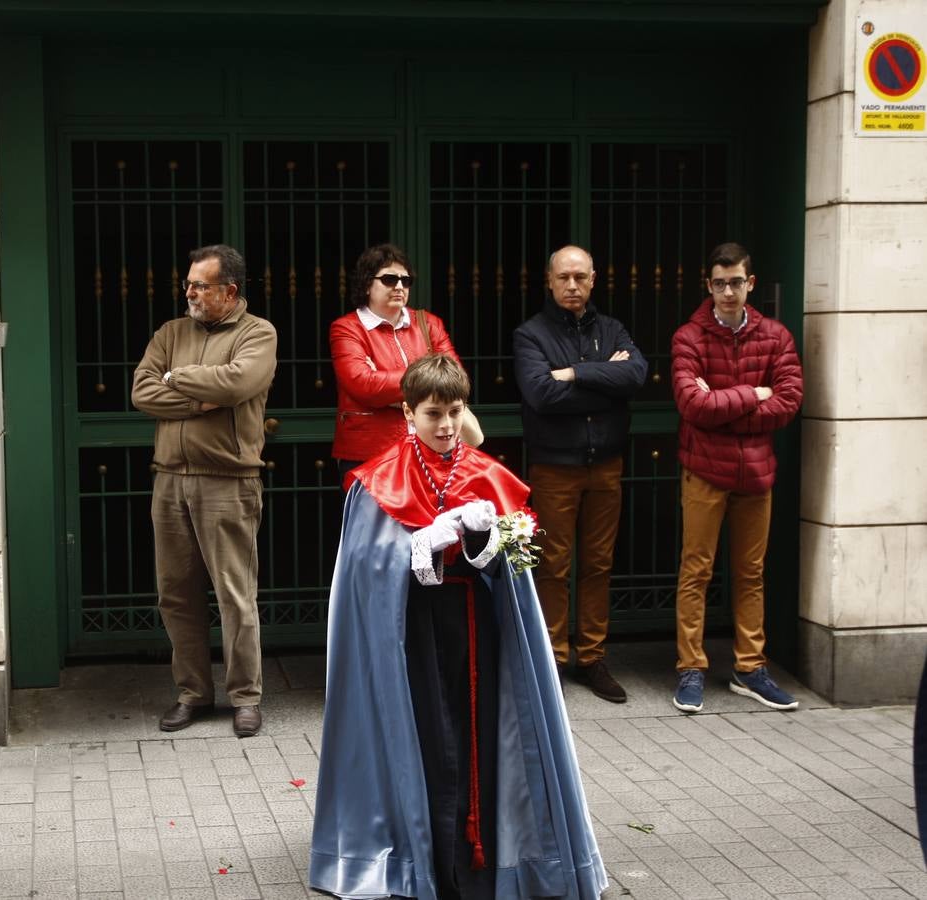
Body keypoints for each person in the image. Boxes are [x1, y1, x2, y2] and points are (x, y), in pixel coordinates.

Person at [310, 354, 607, 900]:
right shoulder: (375, 481)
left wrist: (484, 539)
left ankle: (483, 858)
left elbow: (515, 563)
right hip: (411, 634)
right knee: (426, 738)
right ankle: (421, 857)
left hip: (476, 629)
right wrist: (414, 543)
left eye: (455, 411)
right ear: (407, 413)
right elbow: (363, 571)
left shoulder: (488, 473)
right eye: (433, 414)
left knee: (478, 739)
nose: (446, 426)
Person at [131, 244, 277, 738]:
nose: (188, 291)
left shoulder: (258, 333)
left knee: (235, 595)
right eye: (189, 283)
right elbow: (142, 391)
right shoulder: (170, 332)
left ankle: (246, 698)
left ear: (229, 291)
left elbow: (238, 384)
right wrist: (199, 401)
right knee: (176, 594)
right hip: (169, 478)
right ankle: (193, 693)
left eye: (200, 285)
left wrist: (179, 379)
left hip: (228, 481)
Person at [670, 242, 804, 714]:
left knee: (751, 574)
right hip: (705, 471)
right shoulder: (689, 337)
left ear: (751, 284)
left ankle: (750, 668)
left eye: (736, 282)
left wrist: (725, 403)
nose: (728, 291)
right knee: (696, 571)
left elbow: (787, 402)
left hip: (756, 474)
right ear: (708, 285)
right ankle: (691, 667)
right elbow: (692, 405)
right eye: (719, 283)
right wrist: (754, 392)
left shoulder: (776, 336)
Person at [513, 245, 647, 703]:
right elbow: (542, 395)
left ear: (594, 280)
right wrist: (602, 379)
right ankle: (552, 657)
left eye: (580, 277)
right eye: (564, 277)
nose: (572, 285)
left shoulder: (612, 328)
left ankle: (591, 657)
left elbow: (636, 376)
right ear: (549, 281)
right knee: (552, 565)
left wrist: (572, 373)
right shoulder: (530, 334)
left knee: (599, 565)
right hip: (555, 467)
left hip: (606, 464)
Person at [329, 243, 483, 486]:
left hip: (431, 450)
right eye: (389, 279)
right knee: (373, 524)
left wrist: (387, 382)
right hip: (371, 455)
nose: (399, 286)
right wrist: (430, 376)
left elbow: (456, 379)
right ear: (367, 284)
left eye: (405, 280)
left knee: (433, 524)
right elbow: (363, 385)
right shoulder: (347, 328)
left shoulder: (429, 323)